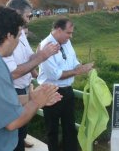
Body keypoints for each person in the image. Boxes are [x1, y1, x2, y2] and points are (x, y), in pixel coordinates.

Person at [0, 5, 61, 150]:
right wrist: (37, 102)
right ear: (9, 36)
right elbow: (13, 122)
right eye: (19, 36)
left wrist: (30, 97)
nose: (19, 42)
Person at [2, 0, 60, 150]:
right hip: (12, 91)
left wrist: (39, 76)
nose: (29, 20)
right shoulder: (5, 36)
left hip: (24, 89)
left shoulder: (20, 33)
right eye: (28, 16)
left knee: (21, 132)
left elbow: (30, 58)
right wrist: (42, 55)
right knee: (13, 134)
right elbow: (13, 72)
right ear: (16, 12)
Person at [38, 18, 94, 151]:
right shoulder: (45, 46)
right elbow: (54, 75)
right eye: (68, 33)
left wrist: (83, 68)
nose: (71, 36)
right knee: (52, 130)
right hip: (51, 92)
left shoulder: (66, 42)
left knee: (69, 127)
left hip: (68, 91)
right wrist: (77, 71)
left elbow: (73, 60)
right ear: (58, 30)